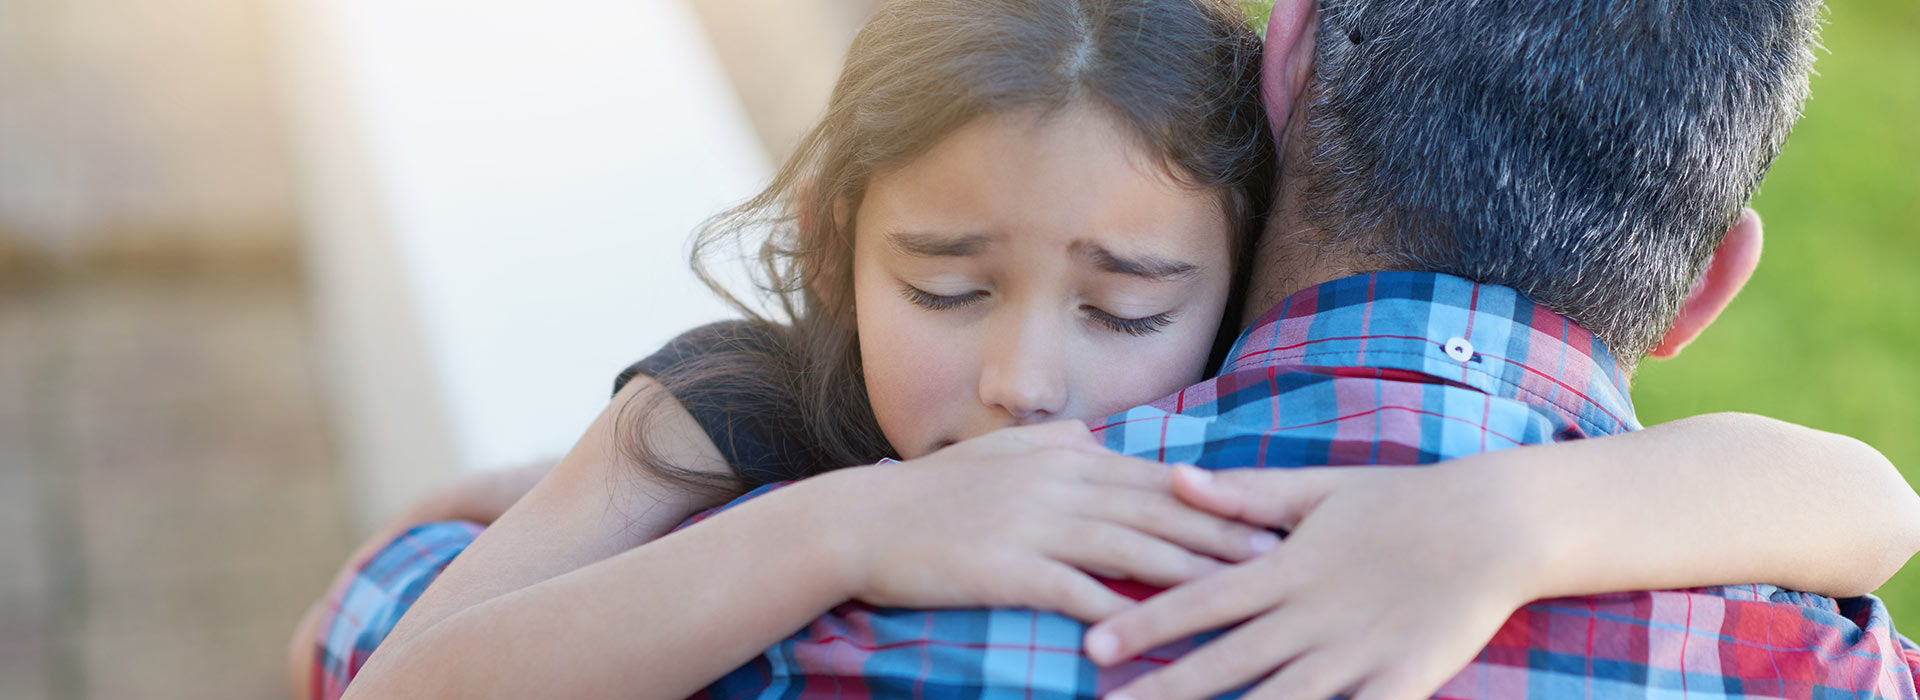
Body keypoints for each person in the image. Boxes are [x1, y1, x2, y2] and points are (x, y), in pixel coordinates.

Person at [295, 0, 1920, 698]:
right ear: (1715, 286)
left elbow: (367, 635)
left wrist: (1503, 527)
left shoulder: (812, 615)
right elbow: (1871, 504)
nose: (1027, 384)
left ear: (1280, 104)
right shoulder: (1817, 650)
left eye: (1130, 307)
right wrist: (838, 513)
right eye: (948, 284)